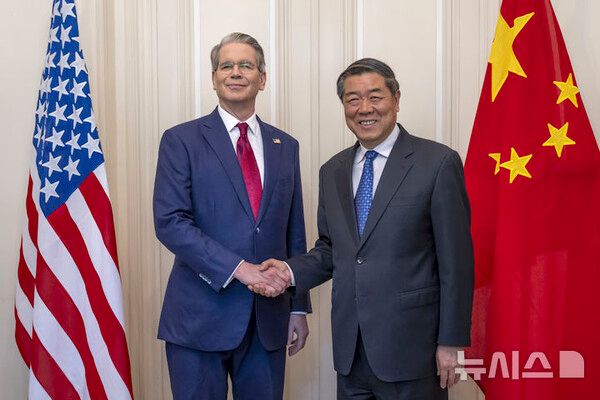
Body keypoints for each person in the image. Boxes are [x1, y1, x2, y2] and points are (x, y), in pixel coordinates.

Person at [253, 58, 474, 400]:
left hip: (413, 349)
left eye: (375, 96)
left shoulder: (437, 162)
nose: (365, 108)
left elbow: (456, 262)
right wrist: (288, 271)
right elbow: (331, 249)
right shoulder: (333, 170)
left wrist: (451, 340)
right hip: (351, 352)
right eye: (353, 99)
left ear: (396, 99)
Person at [153, 32, 310, 400]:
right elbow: (171, 222)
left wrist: (299, 307)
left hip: (268, 320)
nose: (236, 72)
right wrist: (240, 269)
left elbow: (294, 231)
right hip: (199, 318)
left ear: (262, 78)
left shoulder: (285, 146)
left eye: (246, 65)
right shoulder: (181, 140)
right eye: (226, 66)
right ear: (214, 78)